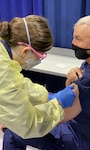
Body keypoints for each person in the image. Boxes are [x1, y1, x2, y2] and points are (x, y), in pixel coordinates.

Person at [2, 15, 90, 150]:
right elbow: (14, 86)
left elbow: (67, 112)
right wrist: (68, 83)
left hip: (77, 135)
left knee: (13, 132)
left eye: (78, 38)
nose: (73, 43)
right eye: (74, 36)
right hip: (79, 125)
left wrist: (15, 122)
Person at [0, 14, 77, 147]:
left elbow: (19, 85)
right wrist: (57, 104)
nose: (39, 60)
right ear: (25, 51)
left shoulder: (4, 55)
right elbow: (27, 125)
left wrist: (45, 96)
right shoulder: (4, 71)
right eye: (40, 56)